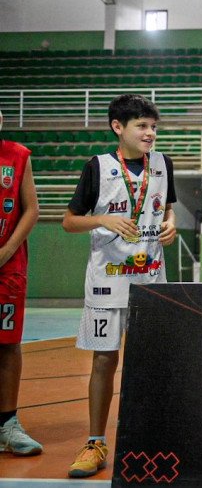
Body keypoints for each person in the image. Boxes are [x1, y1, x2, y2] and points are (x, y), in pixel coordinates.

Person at [62, 95, 177, 478]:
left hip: (151, 281)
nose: (150, 133)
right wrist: (103, 221)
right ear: (118, 127)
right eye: (142, 126)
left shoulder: (163, 164)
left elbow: (167, 207)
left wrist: (171, 224)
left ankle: (150, 436)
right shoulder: (97, 167)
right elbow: (69, 221)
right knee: (105, 359)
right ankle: (95, 441)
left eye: (153, 127)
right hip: (107, 282)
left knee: (149, 362)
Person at [0, 109, 42, 457]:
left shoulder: (17, 155)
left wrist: (6, 250)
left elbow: (32, 210)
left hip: (8, 266)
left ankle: (8, 424)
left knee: (8, 343)